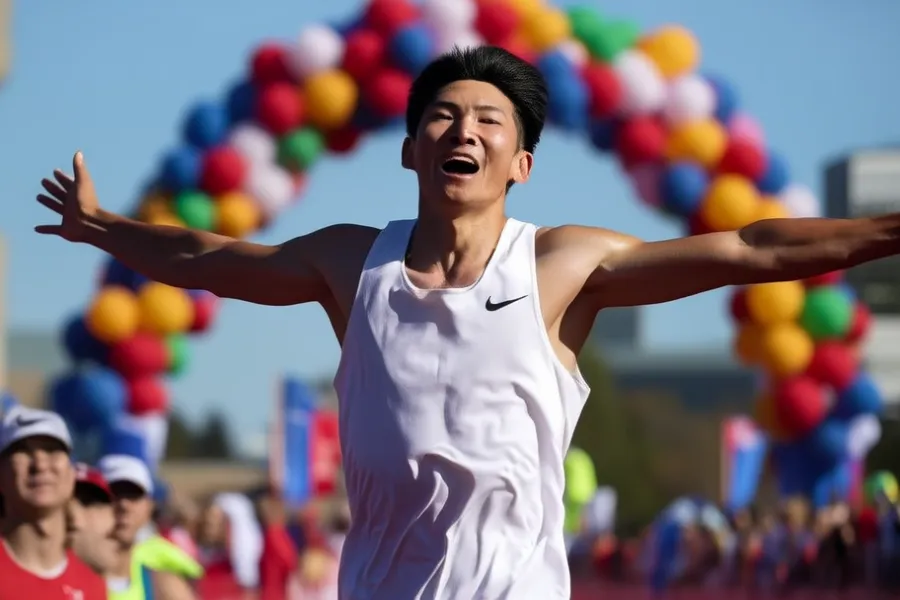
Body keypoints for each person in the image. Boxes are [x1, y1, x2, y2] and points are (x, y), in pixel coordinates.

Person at [33, 44, 900, 599]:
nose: (465, 131)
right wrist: (101, 227)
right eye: (444, 116)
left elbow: (748, 247)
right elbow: (206, 258)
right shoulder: (353, 263)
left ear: (520, 163)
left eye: (490, 120)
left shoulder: (561, 266)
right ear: (412, 149)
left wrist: (886, 231)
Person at [0, 406, 106, 599]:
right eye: (23, 451)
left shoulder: (92, 586)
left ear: (71, 474)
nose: (40, 465)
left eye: (52, 450)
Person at [68, 461, 197, 600]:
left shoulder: (162, 586)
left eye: (134, 495)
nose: (124, 505)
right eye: (114, 494)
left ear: (149, 507)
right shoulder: (67, 580)